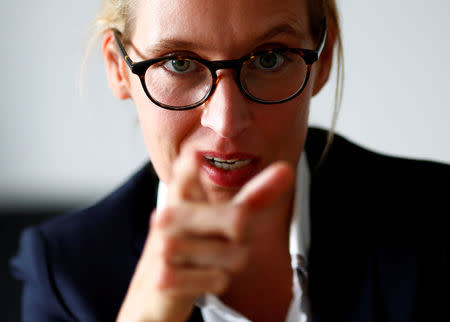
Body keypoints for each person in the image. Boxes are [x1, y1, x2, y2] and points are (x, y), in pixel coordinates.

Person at [10, 0, 450, 321]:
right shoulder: (64, 275)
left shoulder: (435, 223)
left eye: (270, 58)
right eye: (179, 62)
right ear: (118, 68)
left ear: (324, 58)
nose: (226, 122)